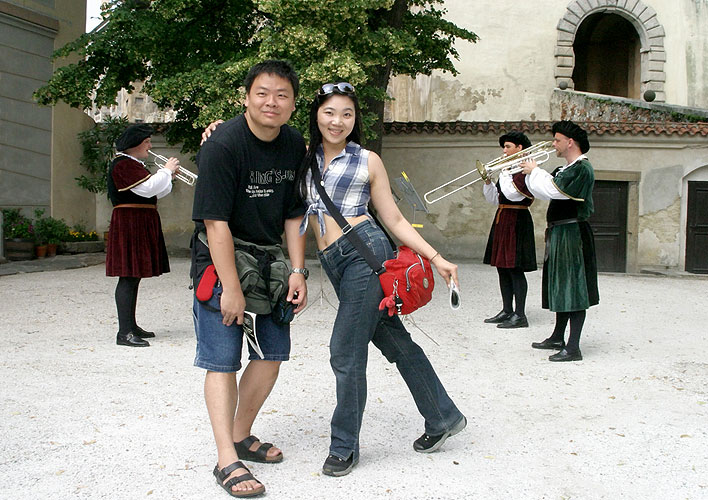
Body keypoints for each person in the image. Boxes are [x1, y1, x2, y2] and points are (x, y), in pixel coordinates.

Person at [296, 82, 466, 476]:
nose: (337, 121)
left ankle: (344, 447)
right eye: (330, 112)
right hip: (332, 260)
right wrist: (218, 128)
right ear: (316, 114)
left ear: (355, 120)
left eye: (347, 114)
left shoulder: (367, 159)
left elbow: (392, 218)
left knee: (344, 350)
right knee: (393, 339)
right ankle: (442, 416)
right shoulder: (303, 158)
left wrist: (435, 257)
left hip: (366, 255)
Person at [192, 60, 308, 498]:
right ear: (246, 97)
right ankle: (227, 459)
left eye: (281, 95)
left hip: (270, 262)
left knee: (273, 353)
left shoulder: (294, 144)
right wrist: (232, 291)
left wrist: (297, 270)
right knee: (222, 359)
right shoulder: (222, 146)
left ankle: (241, 434)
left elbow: (296, 213)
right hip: (220, 262)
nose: (271, 102)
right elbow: (214, 223)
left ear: (293, 104)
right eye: (262, 93)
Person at [521, 120, 599, 362]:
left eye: (556, 140)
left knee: (573, 289)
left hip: (572, 234)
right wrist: (530, 174)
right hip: (560, 233)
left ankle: (573, 347)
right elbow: (542, 191)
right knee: (560, 286)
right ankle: (557, 336)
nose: (553, 144)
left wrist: (535, 171)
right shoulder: (563, 169)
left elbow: (555, 191)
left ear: (570, 142)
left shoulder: (581, 169)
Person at [106, 124, 180, 347]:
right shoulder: (122, 164)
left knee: (134, 276)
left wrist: (169, 177)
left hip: (139, 220)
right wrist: (166, 170)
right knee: (128, 276)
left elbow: (157, 191)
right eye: (147, 141)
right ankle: (124, 332)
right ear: (135, 145)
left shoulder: (133, 164)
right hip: (130, 222)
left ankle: (131, 325)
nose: (150, 146)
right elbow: (147, 188)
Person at [482, 131, 537, 329]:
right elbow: (495, 199)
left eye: (507, 147)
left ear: (519, 148)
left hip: (517, 219)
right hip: (503, 218)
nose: (503, 151)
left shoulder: (526, 168)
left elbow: (514, 194)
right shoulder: (508, 170)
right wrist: (488, 181)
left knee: (515, 268)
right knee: (502, 268)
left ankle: (520, 314)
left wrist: (504, 173)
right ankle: (507, 310)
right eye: (503, 147)